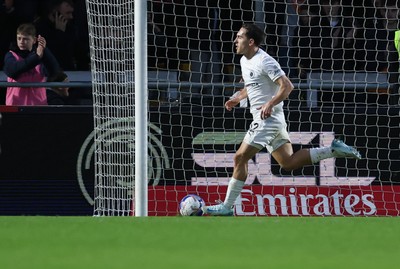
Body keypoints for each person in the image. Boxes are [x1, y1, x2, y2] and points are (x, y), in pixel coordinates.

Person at [202, 24, 362, 216]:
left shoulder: (265, 61)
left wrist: (270, 103)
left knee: (239, 157)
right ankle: (332, 149)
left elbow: (287, 86)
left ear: (250, 41)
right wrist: (238, 97)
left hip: (266, 120)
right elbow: (253, 86)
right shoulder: (245, 60)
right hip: (273, 120)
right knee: (288, 162)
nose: (235, 41)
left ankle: (227, 207)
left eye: (239, 37)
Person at [3, 23, 67, 105]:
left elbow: (54, 71)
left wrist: (44, 49)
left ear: (34, 40)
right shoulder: (11, 55)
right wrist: (36, 58)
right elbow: (12, 71)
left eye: (25, 39)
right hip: (15, 106)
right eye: (19, 38)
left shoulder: (41, 56)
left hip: (38, 106)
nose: (21, 42)